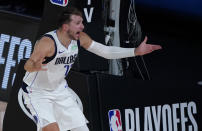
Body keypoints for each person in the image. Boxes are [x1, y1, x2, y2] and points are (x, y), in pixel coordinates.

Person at [22, 6, 162, 131]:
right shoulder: (48, 43)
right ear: (65, 27)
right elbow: (28, 64)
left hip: (60, 91)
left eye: (82, 22)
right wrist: (35, 66)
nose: (82, 27)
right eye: (77, 23)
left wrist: (135, 51)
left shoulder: (79, 38)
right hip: (37, 92)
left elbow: (105, 52)